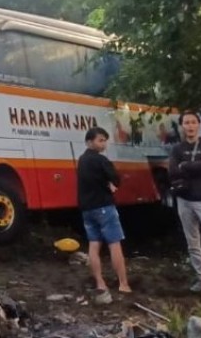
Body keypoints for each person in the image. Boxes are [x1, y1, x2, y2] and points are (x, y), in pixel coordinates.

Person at [77, 127, 131, 302]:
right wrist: (110, 183)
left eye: (105, 140)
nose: (104, 143)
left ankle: (100, 283)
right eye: (100, 140)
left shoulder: (81, 160)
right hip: (104, 207)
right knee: (114, 244)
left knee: (94, 245)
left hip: (87, 210)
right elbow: (116, 179)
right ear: (90, 142)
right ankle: (123, 284)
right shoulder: (101, 160)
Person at [168, 111, 201, 292]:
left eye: (192, 122)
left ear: (199, 124)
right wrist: (198, 165)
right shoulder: (177, 149)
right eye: (186, 122)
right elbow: (172, 172)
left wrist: (185, 166)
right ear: (182, 126)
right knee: (193, 243)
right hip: (184, 199)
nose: (189, 126)